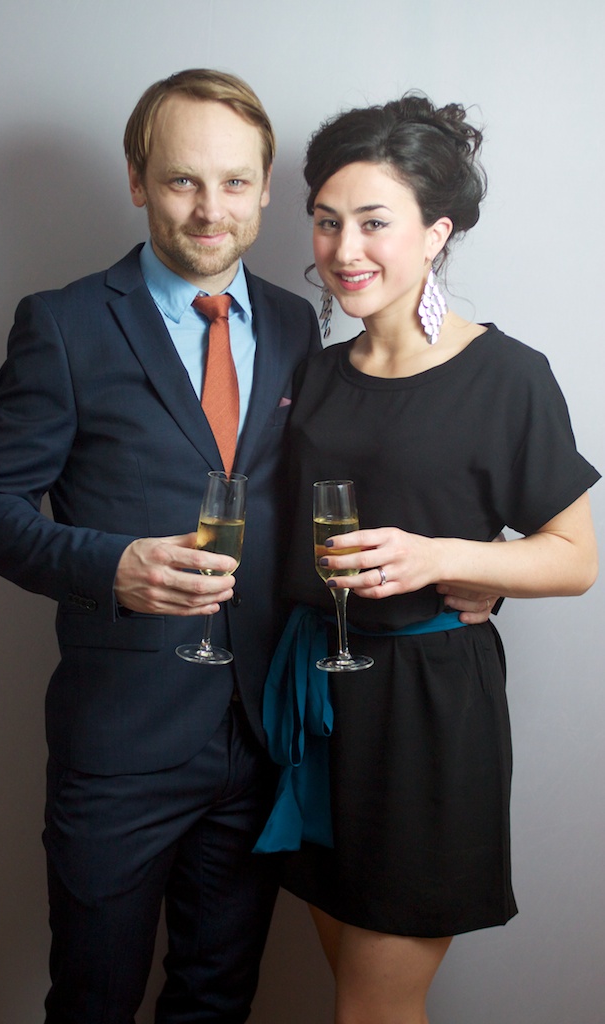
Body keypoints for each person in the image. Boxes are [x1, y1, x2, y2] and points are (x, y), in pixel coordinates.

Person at [0, 71, 494, 1023]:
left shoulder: (298, 320)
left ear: (268, 186)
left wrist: (471, 572)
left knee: (216, 999)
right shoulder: (65, 325)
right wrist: (107, 567)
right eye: (182, 182)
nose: (211, 210)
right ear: (136, 180)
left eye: (236, 183)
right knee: (93, 1000)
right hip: (122, 740)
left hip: (265, 737)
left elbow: (378, 467)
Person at [260, 95, 600, 1024]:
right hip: (317, 703)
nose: (344, 249)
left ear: (436, 232)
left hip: (429, 714)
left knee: (372, 1009)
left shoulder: (508, 374)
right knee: (350, 988)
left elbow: (575, 559)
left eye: (375, 222)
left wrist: (449, 560)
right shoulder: (316, 373)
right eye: (327, 222)